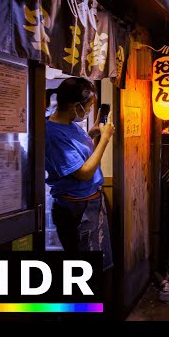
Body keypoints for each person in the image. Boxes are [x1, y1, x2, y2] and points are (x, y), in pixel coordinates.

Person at [45, 77, 115, 271]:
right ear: (76, 106)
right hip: (75, 208)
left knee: (97, 263)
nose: (90, 110)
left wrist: (93, 133)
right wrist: (105, 140)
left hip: (89, 202)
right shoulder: (53, 134)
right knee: (83, 268)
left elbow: (81, 155)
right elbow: (84, 173)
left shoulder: (70, 125)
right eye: (89, 106)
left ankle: (98, 301)